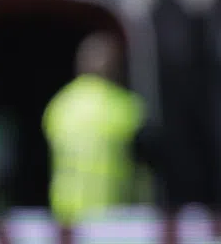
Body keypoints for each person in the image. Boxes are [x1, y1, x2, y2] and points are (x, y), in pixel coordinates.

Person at [43, 33, 146, 225]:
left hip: (66, 213)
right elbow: (146, 162)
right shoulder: (125, 107)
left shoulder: (59, 105)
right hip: (113, 212)